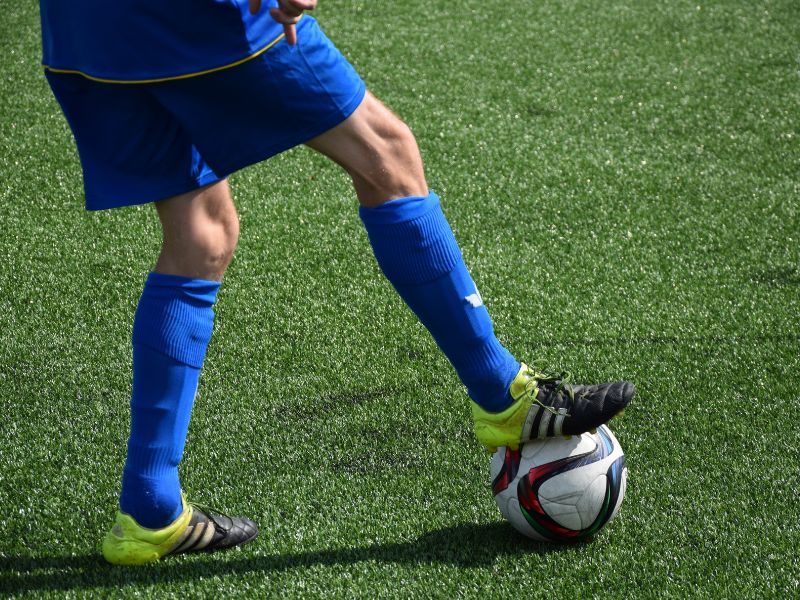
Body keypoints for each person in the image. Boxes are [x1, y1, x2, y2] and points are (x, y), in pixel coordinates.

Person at [40, 0, 634, 565]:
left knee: (201, 235)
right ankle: (503, 396)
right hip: (195, 15)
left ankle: (150, 510)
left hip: (78, 29)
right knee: (387, 154)